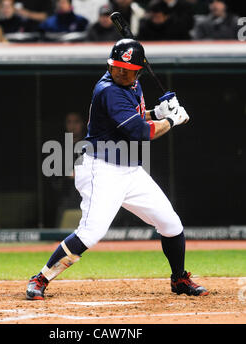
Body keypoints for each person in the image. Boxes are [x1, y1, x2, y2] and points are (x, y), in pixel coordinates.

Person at [26, 38, 209, 300]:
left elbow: (137, 116)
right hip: (101, 169)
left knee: (171, 224)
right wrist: (172, 119)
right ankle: (40, 279)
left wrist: (157, 111)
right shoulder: (108, 90)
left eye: (127, 69)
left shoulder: (132, 85)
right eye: (116, 68)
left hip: (130, 170)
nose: (120, 72)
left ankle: (179, 279)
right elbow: (141, 132)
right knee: (91, 233)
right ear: (109, 66)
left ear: (138, 71)